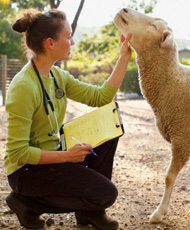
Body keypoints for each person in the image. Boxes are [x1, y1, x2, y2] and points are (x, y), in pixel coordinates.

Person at [4, 8, 132, 230]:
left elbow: (100, 97)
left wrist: (123, 58)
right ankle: (24, 202)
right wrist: (66, 156)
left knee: (108, 127)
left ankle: (90, 214)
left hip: (55, 154)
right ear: (50, 43)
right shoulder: (23, 86)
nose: (72, 42)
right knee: (106, 194)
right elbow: (18, 153)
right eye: (68, 36)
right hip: (26, 171)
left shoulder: (57, 76)